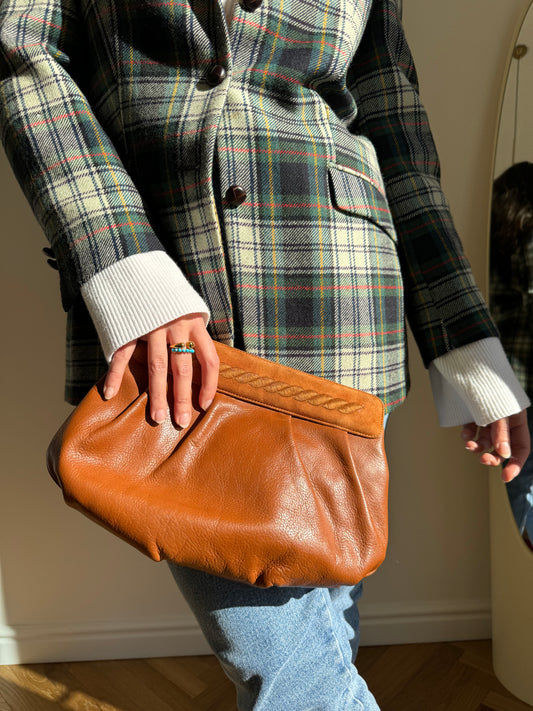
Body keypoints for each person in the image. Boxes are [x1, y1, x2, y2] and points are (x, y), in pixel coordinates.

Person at [0, 0, 530, 708]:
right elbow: (21, 54)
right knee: (288, 670)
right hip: (168, 305)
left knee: (324, 630)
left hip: (343, 305)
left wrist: (466, 345)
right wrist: (123, 261)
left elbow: (393, 122)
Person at [490, 161, 533, 549]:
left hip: (506, 378)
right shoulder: (528, 236)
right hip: (522, 373)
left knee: (520, 482)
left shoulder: (496, 237)